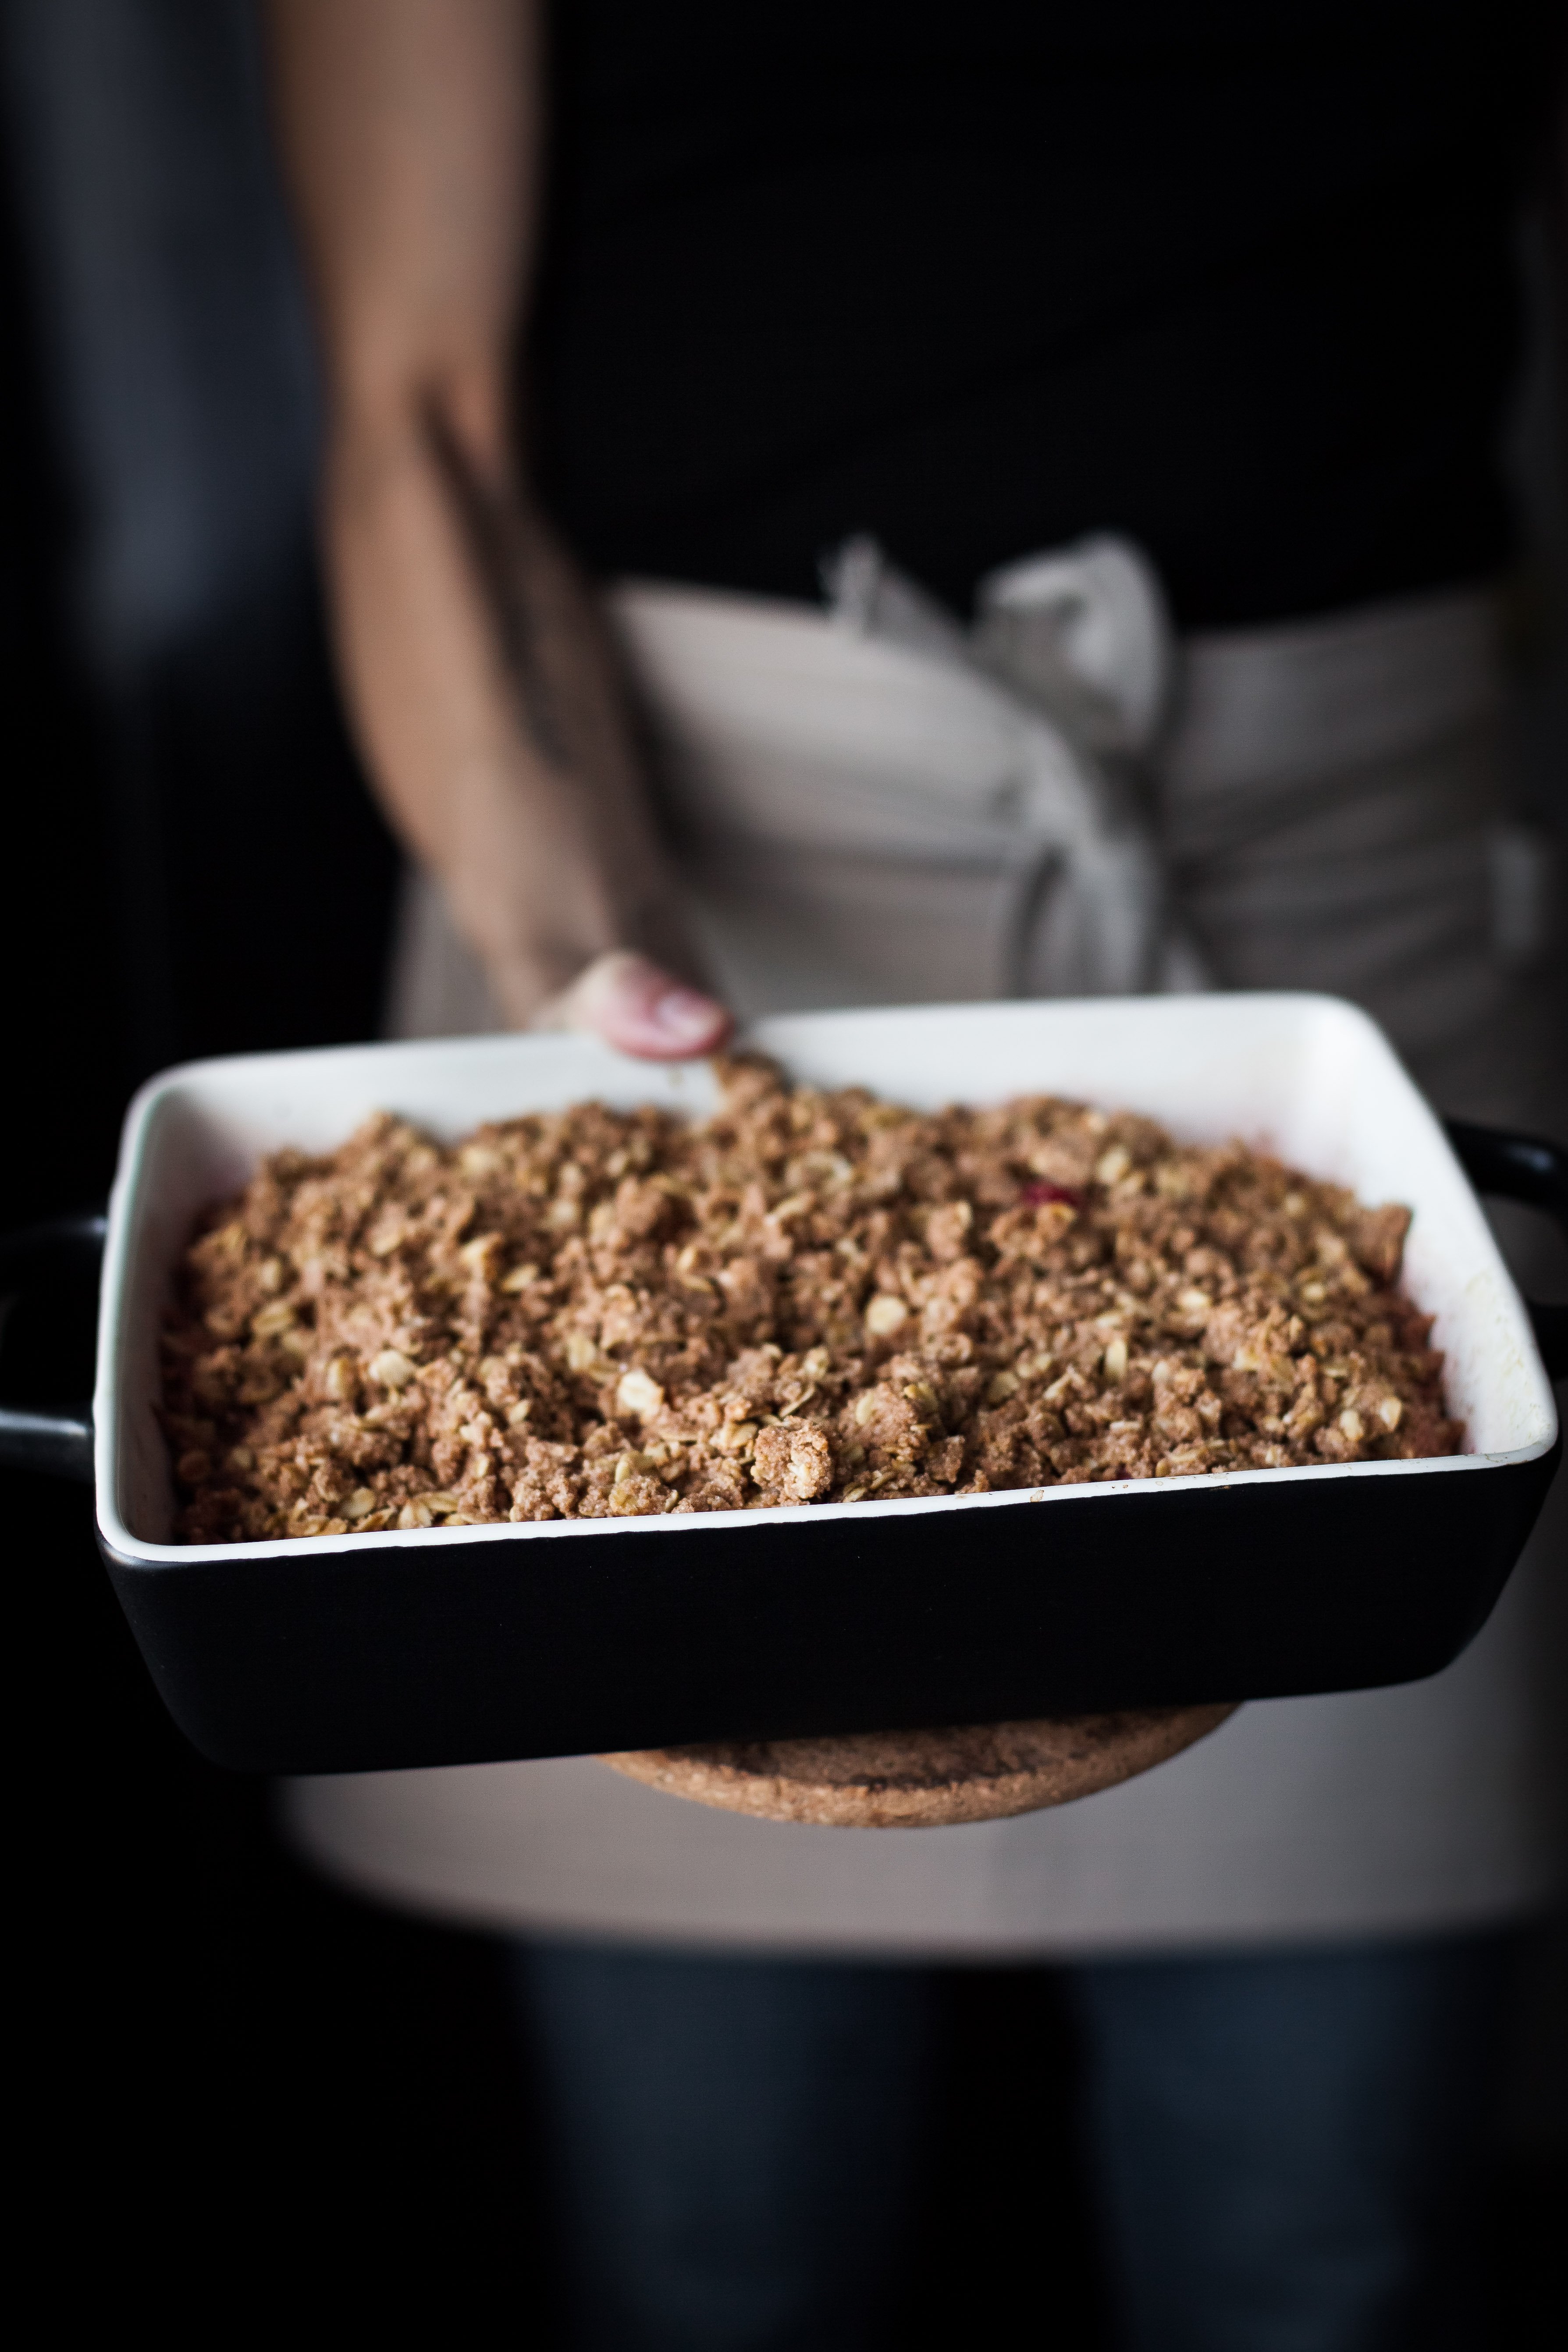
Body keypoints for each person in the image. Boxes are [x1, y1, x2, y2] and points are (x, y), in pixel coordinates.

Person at [267, 4, 1568, 2345]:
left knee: (1330, 2234)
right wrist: (578, 944)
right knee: (712, 2246)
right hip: (635, 908)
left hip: (1329, 920)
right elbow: (418, 422)